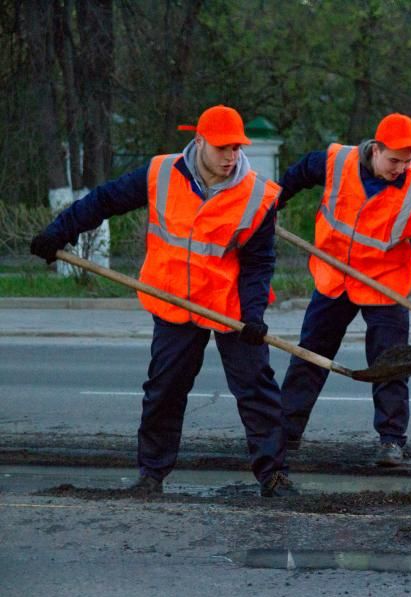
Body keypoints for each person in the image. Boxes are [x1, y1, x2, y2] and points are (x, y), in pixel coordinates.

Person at [30, 105, 298, 497]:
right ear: (200, 141)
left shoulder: (257, 194)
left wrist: (254, 315)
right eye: (223, 148)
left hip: (229, 303)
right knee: (164, 389)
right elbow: (105, 200)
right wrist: (59, 233)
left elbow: (259, 263)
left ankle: (274, 475)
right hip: (174, 298)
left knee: (257, 391)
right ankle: (151, 474)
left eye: (237, 149)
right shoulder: (160, 174)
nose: (231, 157)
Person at [277, 113, 411, 466]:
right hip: (334, 277)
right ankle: (286, 432)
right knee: (310, 355)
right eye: (394, 160)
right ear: (375, 149)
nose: (401, 168)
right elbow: (298, 174)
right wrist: (273, 202)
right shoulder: (337, 162)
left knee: (391, 363)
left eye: (408, 160)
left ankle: (391, 441)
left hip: (384, 284)